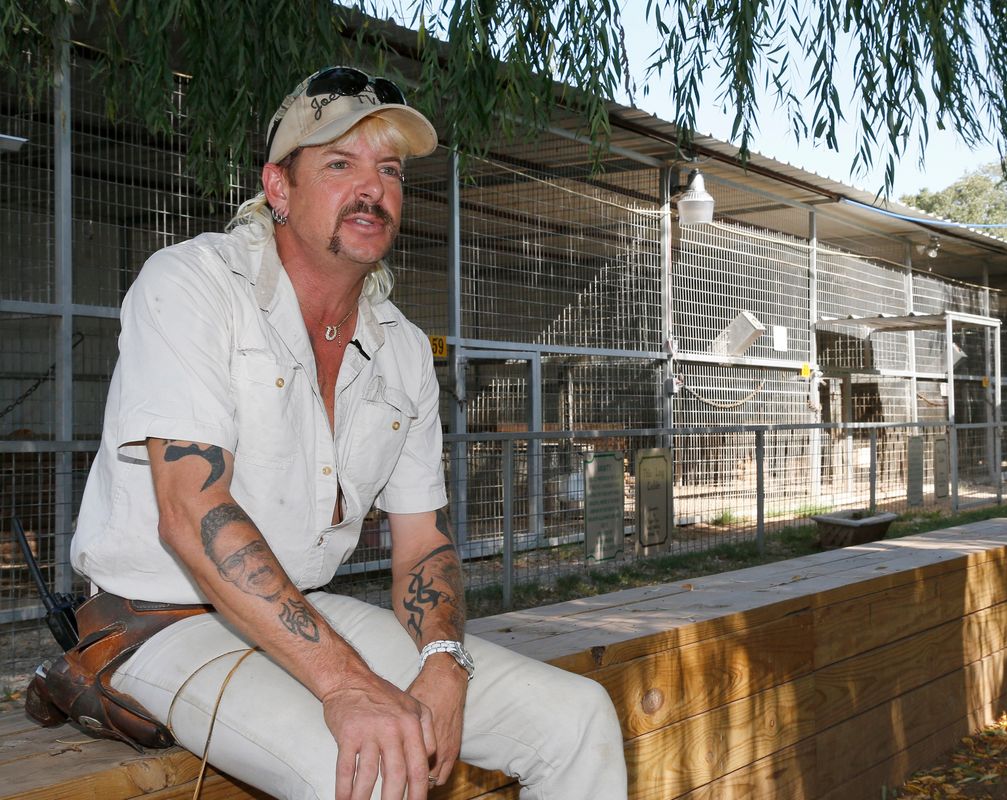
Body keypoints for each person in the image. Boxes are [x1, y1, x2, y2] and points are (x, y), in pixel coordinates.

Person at [69, 67, 627, 800]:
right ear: (278, 187)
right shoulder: (192, 283)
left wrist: (443, 657)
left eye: (388, 171)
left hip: (304, 604)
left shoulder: (400, 346)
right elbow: (191, 513)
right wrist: (349, 686)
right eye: (339, 164)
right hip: (160, 623)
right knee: (371, 769)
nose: (373, 189)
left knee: (579, 717)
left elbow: (423, 540)